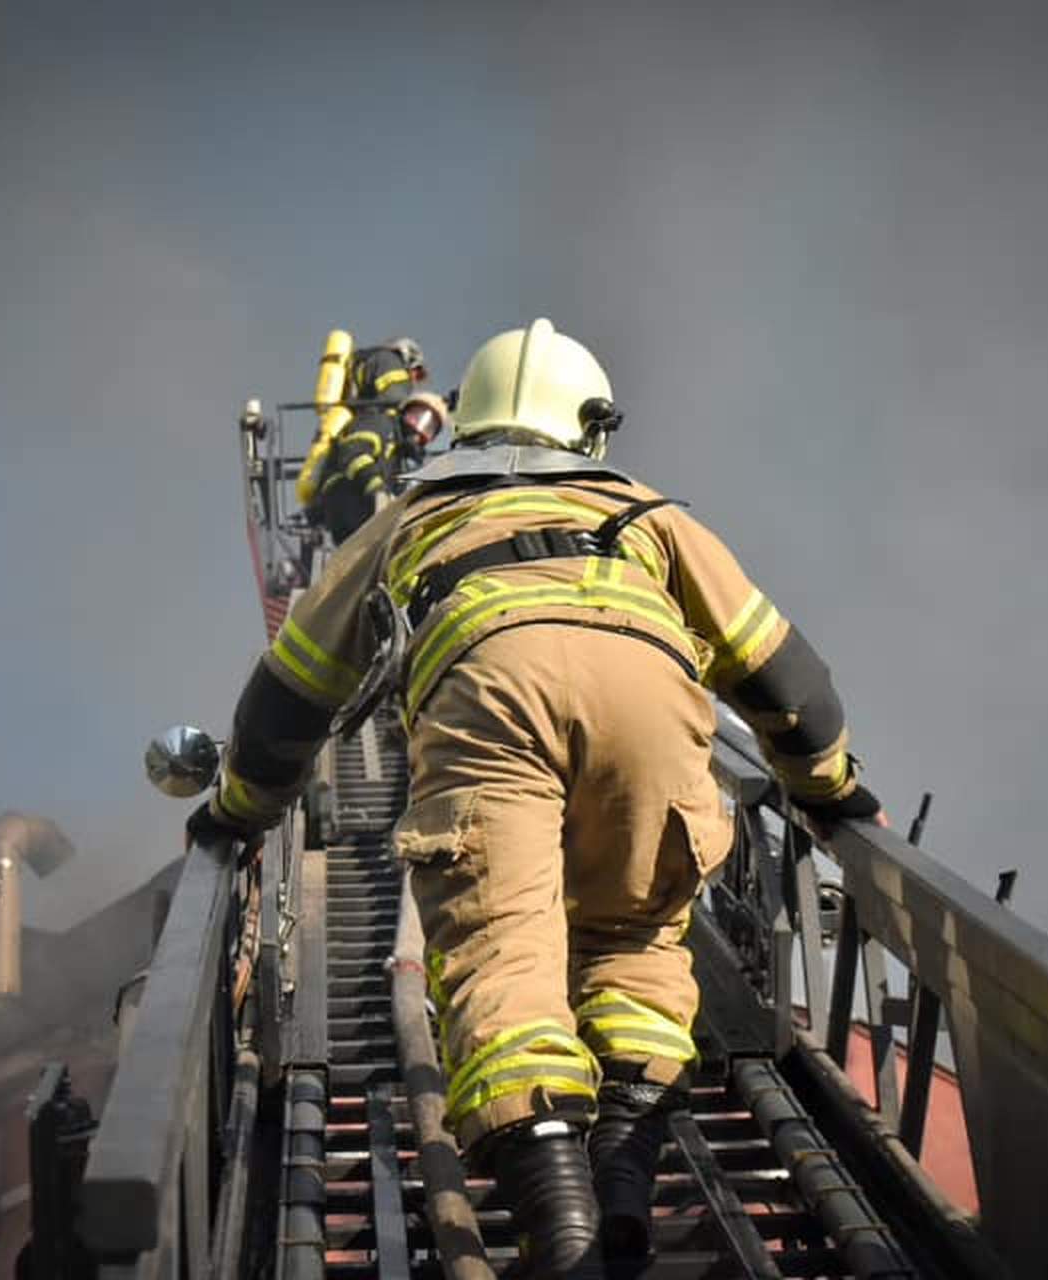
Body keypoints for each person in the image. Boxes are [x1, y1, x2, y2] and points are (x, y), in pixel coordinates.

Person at [188, 319, 885, 1275]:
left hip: (491, 698)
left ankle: (561, 1225)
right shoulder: (652, 517)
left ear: (466, 423)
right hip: (650, 705)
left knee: (505, 948)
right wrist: (832, 790)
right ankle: (626, 1176)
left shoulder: (412, 513)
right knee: (637, 941)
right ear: (587, 427)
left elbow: (291, 695)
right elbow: (790, 688)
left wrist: (235, 807)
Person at [310, 337, 430, 543]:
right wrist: (377, 489)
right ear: (408, 359)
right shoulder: (377, 420)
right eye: (415, 373)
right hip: (349, 500)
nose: (413, 381)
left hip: (345, 506)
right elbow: (353, 455)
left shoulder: (382, 430)